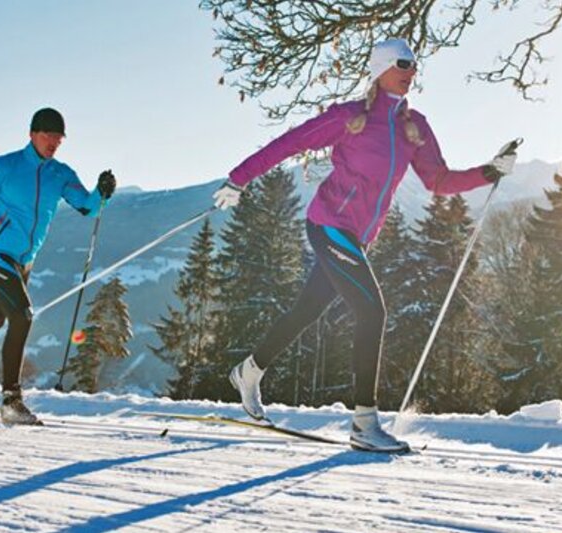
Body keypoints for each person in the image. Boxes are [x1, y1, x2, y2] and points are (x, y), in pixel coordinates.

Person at [213, 39, 518, 452]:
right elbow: (290, 143)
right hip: (329, 224)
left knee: (307, 309)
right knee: (372, 311)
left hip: (358, 238)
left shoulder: (414, 127)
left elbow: (438, 181)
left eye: (414, 65)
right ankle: (364, 424)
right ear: (381, 68)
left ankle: (249, 371)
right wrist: (239, 179)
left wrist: (489, 171)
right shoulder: (350, 117)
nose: (411, 71)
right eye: (403, 63)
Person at [0, 107, 117, 425]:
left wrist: (103, 191)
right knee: (22, 316)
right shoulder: (3, 167)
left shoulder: (61, 174)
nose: (53, 143)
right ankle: (11, 401)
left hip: (23, 262)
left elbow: (88, 207)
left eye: (59, 138)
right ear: (32, 134)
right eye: (48, 136)